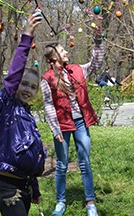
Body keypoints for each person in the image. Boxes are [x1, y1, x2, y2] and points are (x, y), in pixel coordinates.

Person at [0, 12, 46, 216]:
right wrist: (27, 36)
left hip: (25, 187)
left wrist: (35, 189)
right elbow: (13, 75)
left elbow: (28, 154)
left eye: (33, 87)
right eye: (24, 84)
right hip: (6, 187)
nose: (28, 89)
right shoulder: (5, 106)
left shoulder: (28, 118)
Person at [41, 35, 104, 216]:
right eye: (62, 51)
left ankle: (90, 202)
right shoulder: (47, 79)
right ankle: (60, 202)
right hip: (61, 125)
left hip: (81, 122)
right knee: (62, 164)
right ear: (54, 58)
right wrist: (55, 128)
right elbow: (48, 105)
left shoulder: (76, 69)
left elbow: (96, 63)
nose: (66, 52)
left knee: (85, 162)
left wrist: (98, 41)